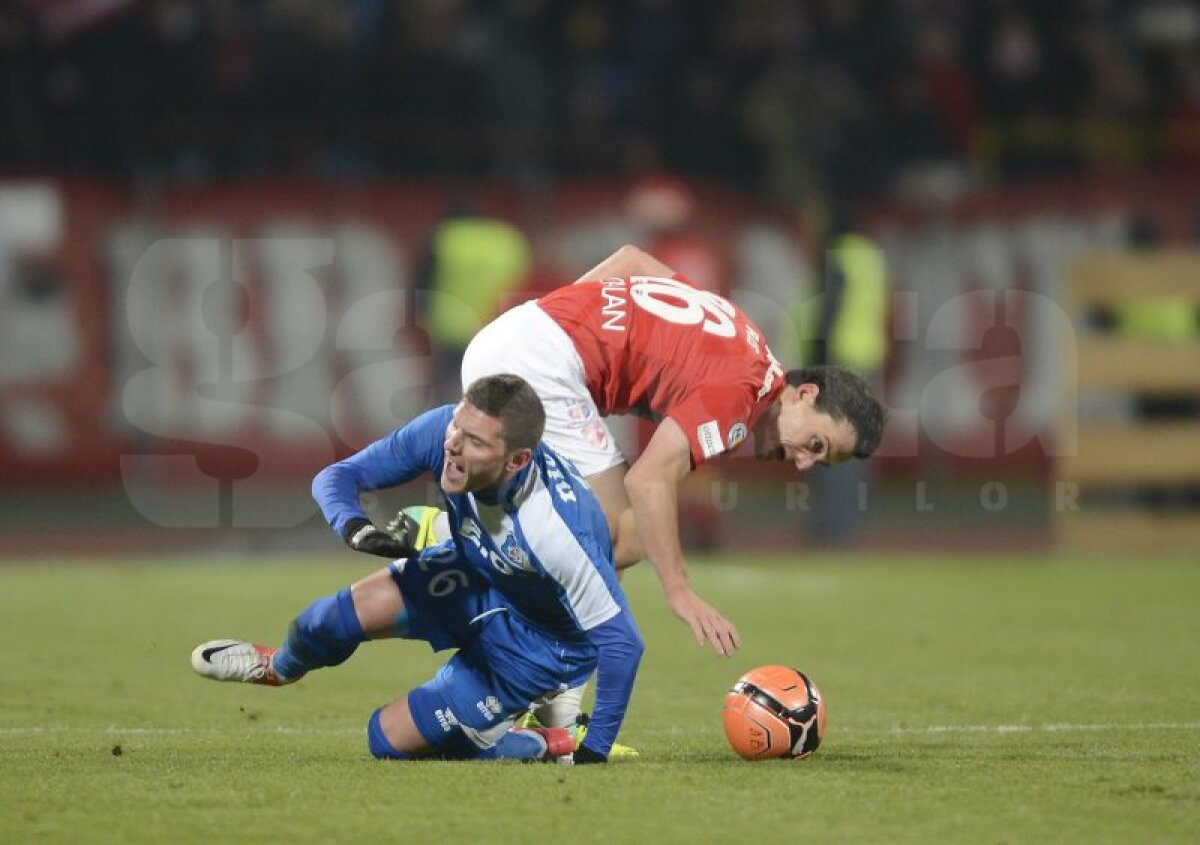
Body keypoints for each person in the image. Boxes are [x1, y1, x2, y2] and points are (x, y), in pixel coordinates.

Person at [404, 244, 885, 732]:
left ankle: (550, 703)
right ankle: (448, 544)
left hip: (515, 335)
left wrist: (565, 318)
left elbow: (633, 261)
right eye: (817, 444)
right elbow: (649, 480)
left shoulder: (747, 343)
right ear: (806, 393)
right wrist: (678, 589)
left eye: (820, 461)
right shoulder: (742, 394)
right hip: (539, 366)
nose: (804, 462)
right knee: (622, 534)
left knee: (577, 535)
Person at [191, 374, 643, 764]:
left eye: (476, 442)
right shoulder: (442, 434)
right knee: (323, 621)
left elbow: (622, 643)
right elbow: (335, 478)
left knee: (385, 739)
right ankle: (279, 667)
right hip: (477, 574)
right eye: (458, 427)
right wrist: (355, 530)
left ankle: (550, 742)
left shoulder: (554, 530)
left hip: (540, 643)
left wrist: (595, 750)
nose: (453, 446)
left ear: (517, 461)